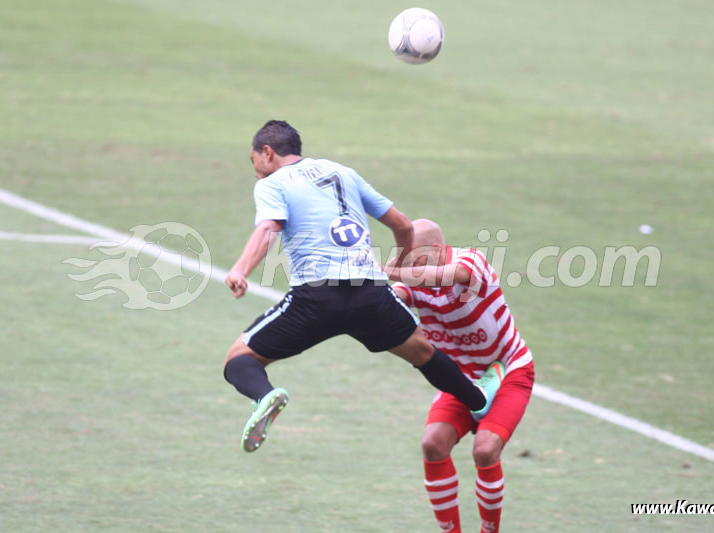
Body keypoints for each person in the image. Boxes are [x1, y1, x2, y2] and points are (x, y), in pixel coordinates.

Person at [222, 120, 504, 453]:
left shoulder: (272, 183)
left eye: (255, 162)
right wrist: (399, 264)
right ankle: (477, 400)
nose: (256, 172)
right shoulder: (343, 172)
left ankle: (265, 396)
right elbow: (402, 224)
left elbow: (269, 228)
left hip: (316, 298)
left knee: (238, 360)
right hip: (371, 294)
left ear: (267, 153)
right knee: (423, 352)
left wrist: (241, 269)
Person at [386, 219, 535, 533]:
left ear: (439, 250)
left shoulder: (470, 262)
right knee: (433, 444)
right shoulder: (413, 281)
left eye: (418, 261)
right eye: (407, 261)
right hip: (461, 380)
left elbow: (452, 275)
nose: (415, 272)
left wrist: (393, 271)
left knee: (484, 450)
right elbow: (393, 298)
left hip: (508, 371)